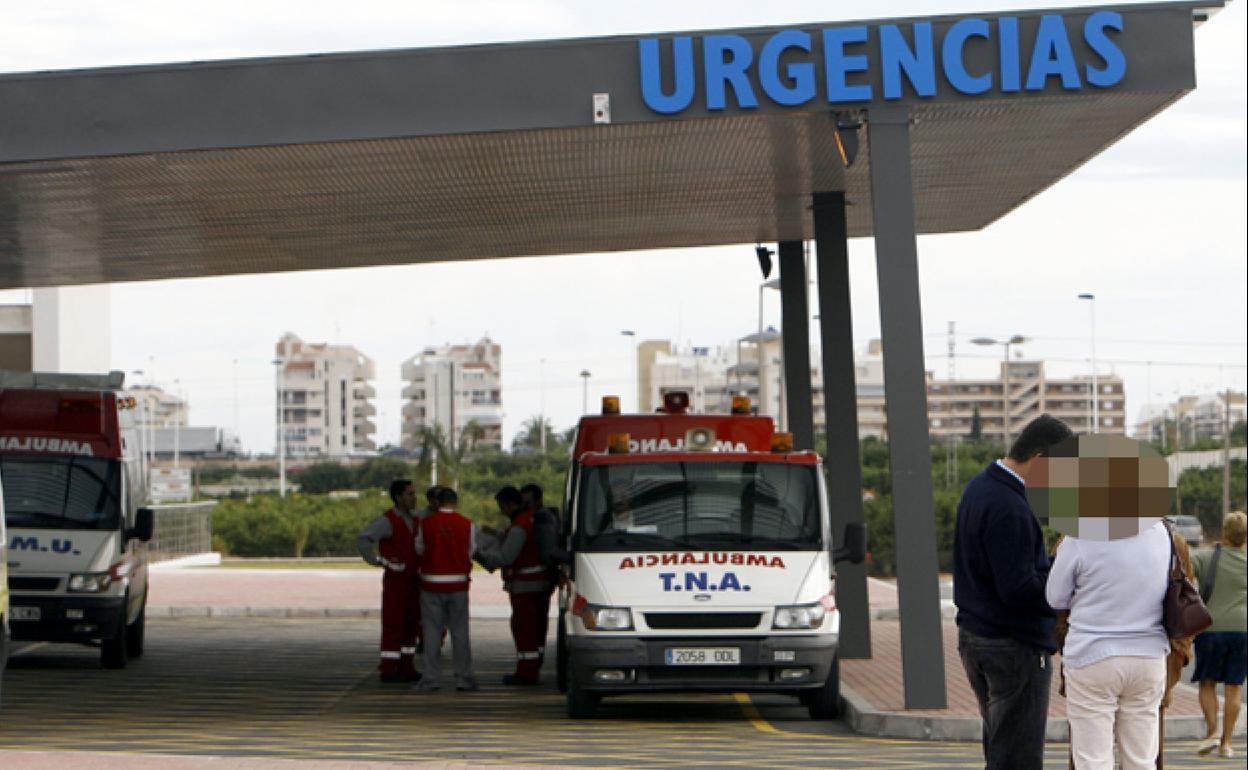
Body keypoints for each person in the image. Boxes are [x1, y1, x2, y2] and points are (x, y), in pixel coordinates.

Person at [953, 414, 1073, 770]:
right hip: (1013, 646)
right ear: (1039, 459)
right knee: (1018, 755)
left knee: (1001, 746)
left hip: (977, 635)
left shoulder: (980, 488)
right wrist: (1062, 579)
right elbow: (1019, 589)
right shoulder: (1011, 508)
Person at [1046, 519, 1171, 769]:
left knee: (1093, 759)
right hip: (1149, 654)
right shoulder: (1160, 531)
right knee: (1142, 759)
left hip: (1093, 655)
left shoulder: (1080, 536)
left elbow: (1055, 597)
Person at [477, 485, 553, 685]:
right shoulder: (531, 519)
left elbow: (506, 556)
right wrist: (496, 534)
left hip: (525, 586)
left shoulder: (519, 525)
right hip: (539, 583)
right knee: (535, 628)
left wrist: (480, 554)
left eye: (502, 507)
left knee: (524, 628)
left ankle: (526, 672)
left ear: (509, 505)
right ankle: (532, 666)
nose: (502, 511)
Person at [1191, 511, 1247, 759]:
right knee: (1234, 688)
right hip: (1243, 630)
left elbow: (1183, 574)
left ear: (1224, 532)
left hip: (1211, 629)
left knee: (1208, 682)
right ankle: (1226, 744)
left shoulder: (1204, 557)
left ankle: (1212, 732)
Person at [356, 479, 423, 683]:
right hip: (397, 580)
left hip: (414, 579)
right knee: (394, 622)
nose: (414, 498)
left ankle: (406, 664)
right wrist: (379, 561)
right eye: (410, 494)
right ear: (398, 497)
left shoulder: (415, 520)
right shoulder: (387, 521)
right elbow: (364, 538)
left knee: (411, 622)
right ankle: (389, 667)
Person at [414, 486, 479, 692]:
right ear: (455, 502)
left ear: (437, 503)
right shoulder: (467, 525)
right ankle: (464, 678)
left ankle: (431, 678)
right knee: (460, 632)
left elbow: (419, 548)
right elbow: (471, 551)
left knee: (432, 632)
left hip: (431, 583)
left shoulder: (426, 524)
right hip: (458, 584)